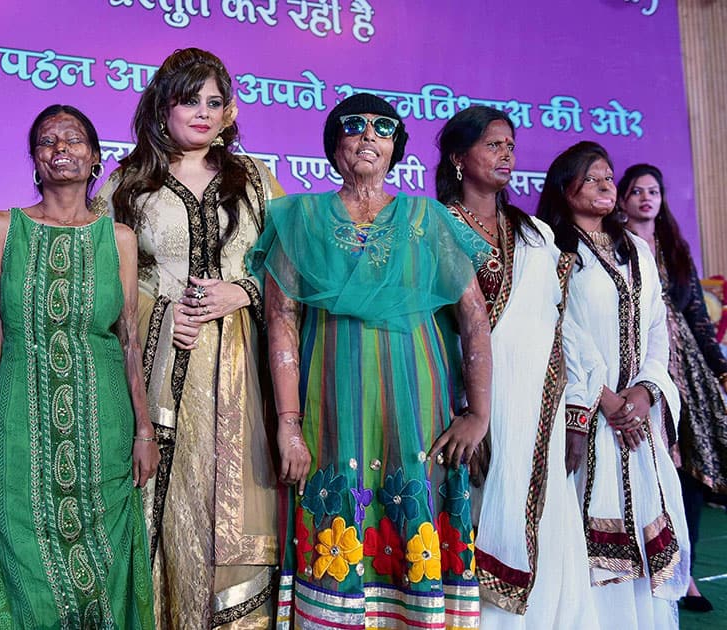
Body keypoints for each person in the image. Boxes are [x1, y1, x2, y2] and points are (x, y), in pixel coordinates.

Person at [251, 92, 492, 630]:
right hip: (329, 407)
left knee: (415, 514)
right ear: (334, 145)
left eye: (382, 128)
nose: (367, 136)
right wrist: (289, 425)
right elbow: (281, 323)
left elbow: (474, 317)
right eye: (353, 126)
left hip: (418, 411)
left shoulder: (428, 220)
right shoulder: (300, 218)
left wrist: (479, 414)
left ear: (396, 148)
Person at [94, 47, 285, 627]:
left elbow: (288, 266)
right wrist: (159, 309)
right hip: (160, 371)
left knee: (239, 500)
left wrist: (242, 292)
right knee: (168, 504)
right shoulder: (127, 185)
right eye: (189, 99)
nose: (203, 112)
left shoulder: (255, 179)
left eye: (215, 101)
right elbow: (104, 281)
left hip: (245, 362)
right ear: (162, 105)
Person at [0, 104, 158, 628]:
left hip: (105, 427)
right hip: (18, 426)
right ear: (35, 159)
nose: (61, 149)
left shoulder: (118, 239)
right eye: (48, 141)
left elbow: (129, 343)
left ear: (95, 158)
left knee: (106, 566)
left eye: (74, 140)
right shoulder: (4, 228)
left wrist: (143, 430)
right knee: (24, 563)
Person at [434, 106, 598, 629]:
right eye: (492, 145)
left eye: (510, 145)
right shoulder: (435, 225)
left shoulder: (537, 235)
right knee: (477, 516)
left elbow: (562, 328)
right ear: (459, 158)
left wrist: (573, 414)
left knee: (548, 525)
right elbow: (435, 331)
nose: (506, 154)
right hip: (471, 408)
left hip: (541, 408)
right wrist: (467, 411)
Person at [536, 142, 690, 628]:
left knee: (645, 533)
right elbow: (558, 332)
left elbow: (655, 330)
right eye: (592, 178)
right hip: (585, 416)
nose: (606, 186)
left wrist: (645, 393)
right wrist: (608, 403)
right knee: (584, 536)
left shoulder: (636, 249)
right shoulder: (551, 250)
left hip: (637, 421)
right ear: (565, 189)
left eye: (609, 177)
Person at [619, 163, 727, 613]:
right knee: (646, 469)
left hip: (688, 378)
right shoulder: (614, 244)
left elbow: (699, 319)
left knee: (691, 478)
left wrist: (719, 369)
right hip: (637, 363)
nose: (647, 199)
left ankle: (688, 574)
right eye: (637, 191)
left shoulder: (676, 249)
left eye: (654, 191)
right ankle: (641, 570)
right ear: (622, 200)